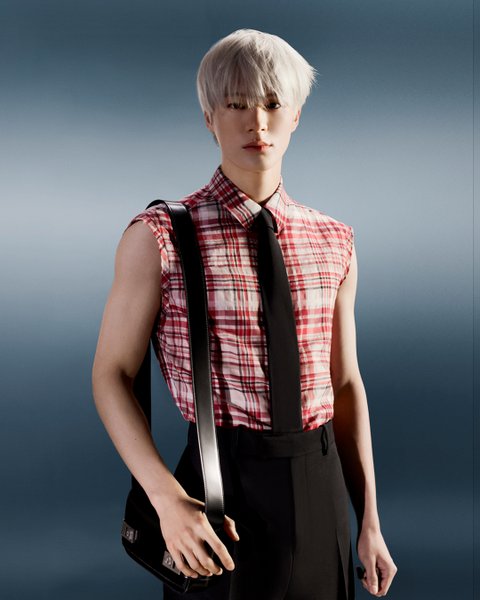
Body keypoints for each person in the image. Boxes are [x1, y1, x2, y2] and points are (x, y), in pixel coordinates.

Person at [92, 28, 397, 599]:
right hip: (216, 490)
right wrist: (165, 499)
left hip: (321, 486)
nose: (257, 122)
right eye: (236, 104)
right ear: (210, 117)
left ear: (296, 116)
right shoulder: (159, 236)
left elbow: (345, 383)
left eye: (273, 104)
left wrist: (370, 521)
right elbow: (111, 375)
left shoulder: (334, 240)